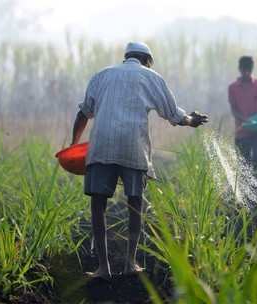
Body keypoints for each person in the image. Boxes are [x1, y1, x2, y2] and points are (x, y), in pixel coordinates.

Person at [71, 42, 208, 280]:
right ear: (147, 60)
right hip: (133, 147)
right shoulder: (151, 77)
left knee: (98, 204)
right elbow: (172, 113)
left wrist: (73, 145)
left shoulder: (102, 75)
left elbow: (84, 113)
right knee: (135, 202)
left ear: (127, 58)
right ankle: (130, 262)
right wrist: (190, 120)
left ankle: (103, 268)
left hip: (102, 145)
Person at [228, 56, 257, 177]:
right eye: (244, 70)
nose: (246, 73)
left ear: (252, 69)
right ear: (240, 69)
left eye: (249, 70)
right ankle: (245, 193)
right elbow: (233, 110)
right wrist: (245, 120)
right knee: (244, 165)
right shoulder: (233, 88)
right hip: (242, 131)